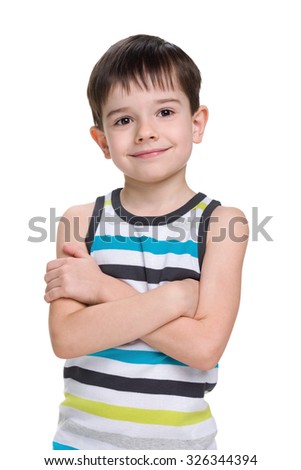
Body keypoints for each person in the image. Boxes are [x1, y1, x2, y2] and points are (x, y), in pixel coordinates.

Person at [44, 34, 248, 450]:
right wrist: (175, 299)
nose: (145, 132)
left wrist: (101, 289)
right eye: (123, 120)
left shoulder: (223, 224)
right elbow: (67, 338)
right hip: (82, 448)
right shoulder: (80, 220)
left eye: (165, 111)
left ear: (197, 123)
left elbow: (204, 348)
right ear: (102, 141)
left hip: (181, 450)